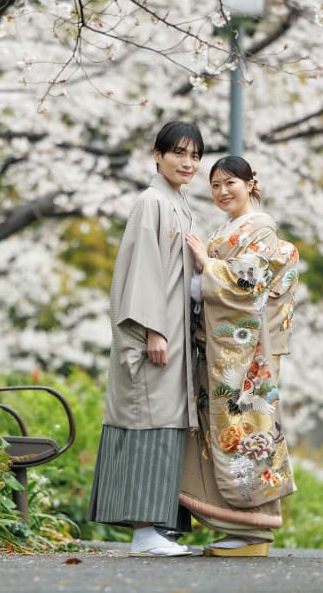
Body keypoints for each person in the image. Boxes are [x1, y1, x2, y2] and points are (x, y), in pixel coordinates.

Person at [86, 121, 204, 557]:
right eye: (179, 153)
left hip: (174, 336)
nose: (188, 163)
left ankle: (159, 527)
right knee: (145, 420)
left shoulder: (179, 203)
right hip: (155, 336)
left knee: (168, 422)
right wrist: (153, 329)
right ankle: (143, 532)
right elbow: (142, 270)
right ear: (157, 155)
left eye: (194, 155)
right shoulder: (150, 201)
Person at [181, 155, 300, 557]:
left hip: (245, 355)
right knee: (229, 433)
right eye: (215, 185)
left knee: (248, 432)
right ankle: (240, 528)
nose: (222, 191)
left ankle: (254, 532)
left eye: (230, 182)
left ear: (251, 183)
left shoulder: (260, 230)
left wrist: (208, 266)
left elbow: (250, 285)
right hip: (226, 349)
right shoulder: (227, 231)